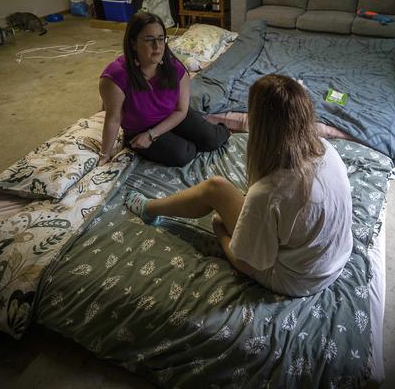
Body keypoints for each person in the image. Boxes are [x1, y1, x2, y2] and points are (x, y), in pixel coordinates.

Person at [125, 74, 353, 297]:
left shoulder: (269, 192)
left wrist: (220, 232)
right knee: (219, 189)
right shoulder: (325, 149)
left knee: (216, 200)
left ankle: (149, 209)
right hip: (334, 259)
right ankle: (151, 208)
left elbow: (248, 262)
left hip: (296, 279)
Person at [99, 12, 229, 167]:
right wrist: (104, 155)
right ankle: (182, 139)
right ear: (133, 43)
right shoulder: (115, 77)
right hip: (140, 128)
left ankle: (215, 128)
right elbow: (113, 119)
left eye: (161, 39)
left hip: (172, 116)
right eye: (149, 40)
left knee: (212, 140)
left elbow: (181, 110)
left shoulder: (176, 69)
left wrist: (152, 135)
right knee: (182, 154)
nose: (157, 46)